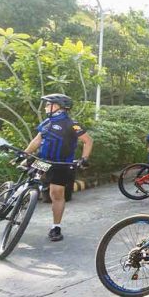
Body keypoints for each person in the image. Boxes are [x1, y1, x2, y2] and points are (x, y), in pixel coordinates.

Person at [23, 94, 93, 242]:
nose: (46, 107)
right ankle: (11, 202)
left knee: (57, 194)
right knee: (26, 178)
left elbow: (87, 141)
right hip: (43, 161)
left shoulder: (72, 124)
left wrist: (84, 159)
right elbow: (37, 140)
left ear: (59, 106)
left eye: (48, 104)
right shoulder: (47, 122)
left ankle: (55, 227)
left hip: (61, 164)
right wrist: (25, 154)